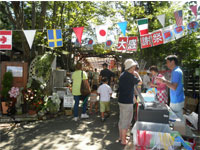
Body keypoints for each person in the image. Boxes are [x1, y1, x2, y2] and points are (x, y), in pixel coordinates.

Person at [118, 59, 142, 145]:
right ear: (131, 67)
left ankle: (121, 137)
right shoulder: (131, 76)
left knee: (121, 120)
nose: (135, 68)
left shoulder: (122, 74)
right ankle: (124, 141)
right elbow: (140, 82)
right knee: (126, 121)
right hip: (127, 101)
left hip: (121, 100)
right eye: (134, 67)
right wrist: (137, 75)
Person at [156, 55, 185, 121]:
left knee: (177, 122)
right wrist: (164, 81)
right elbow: (173, 84)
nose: (166, 64)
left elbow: (174, 87)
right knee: (177, 121)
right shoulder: (176, 70)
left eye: (167, 62)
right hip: (177, 98)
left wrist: (163, 81)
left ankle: (180, 130)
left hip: (176, 100)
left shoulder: (176, 71)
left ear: (172, 62)